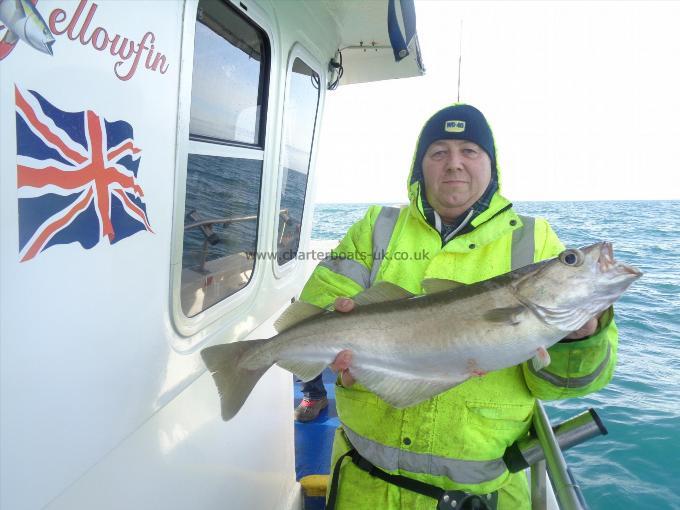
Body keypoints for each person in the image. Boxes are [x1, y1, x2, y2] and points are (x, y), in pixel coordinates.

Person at [296, 104, 618, 509]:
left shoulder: (535, 241)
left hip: (480, 495)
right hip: (366, 482)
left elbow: (568, 384)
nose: (454, 164)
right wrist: (338, 332)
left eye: (470, 150)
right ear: (420, 166)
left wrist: (579, 339)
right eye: (439, 152)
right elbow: (318, 303)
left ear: (491, 164)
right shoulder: (377, 225)